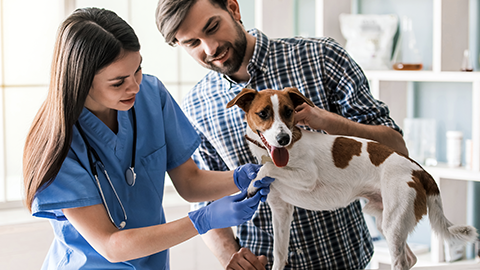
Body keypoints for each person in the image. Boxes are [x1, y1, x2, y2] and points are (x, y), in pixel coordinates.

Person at [155, 0, 409, 269]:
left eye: (212, 27)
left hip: (345, 259)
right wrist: (232, 256)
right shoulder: (196, 106)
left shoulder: (321, 57)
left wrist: (332, 123)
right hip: (267, 261)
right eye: (192, 43)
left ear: (233, 8)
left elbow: (397, 149)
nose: (210, 48)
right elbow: (204, 199)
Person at [23, 7, 274, 270]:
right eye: (118, 82)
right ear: (82, 81)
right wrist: (203, 220)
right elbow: (110, 245)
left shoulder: (151, 95)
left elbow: (190, 183)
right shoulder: (58, 141)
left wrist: (239, 178)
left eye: (138, 70)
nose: (134, 86)